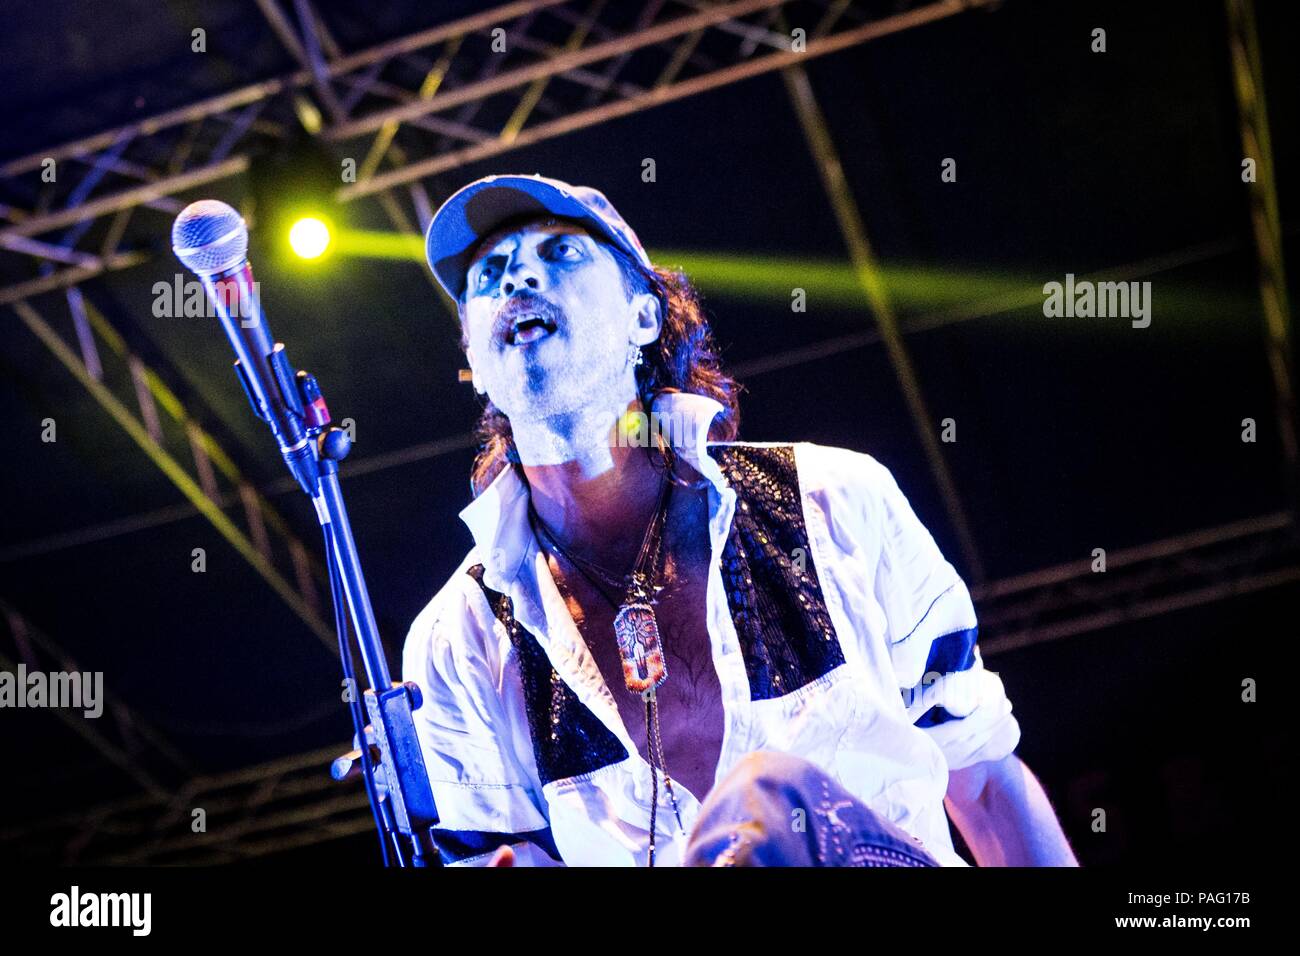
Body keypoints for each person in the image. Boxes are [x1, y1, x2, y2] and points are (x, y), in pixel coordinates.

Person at [402, 173, 1079, 867]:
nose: (517, 274)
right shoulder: (458, 640)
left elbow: (987, 780)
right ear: (475, 365)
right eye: (488, 274)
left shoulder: (832, 499)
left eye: (562, 255)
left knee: (767, 797)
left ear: (644, 316)